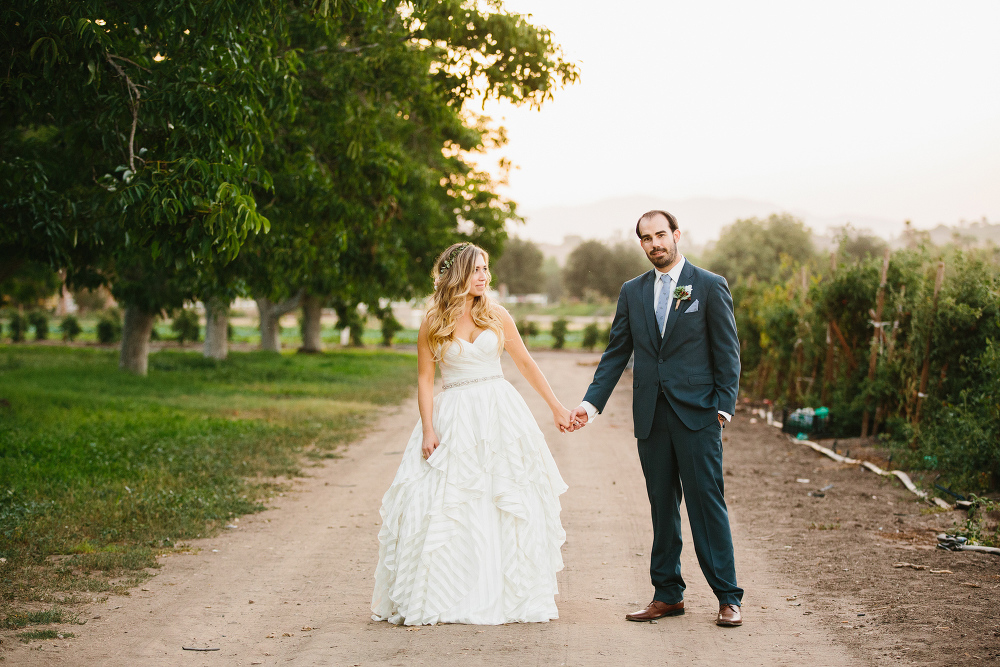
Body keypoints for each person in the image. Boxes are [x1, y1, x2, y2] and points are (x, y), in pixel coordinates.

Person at [371, 242, 572, 626]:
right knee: (450, 502)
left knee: (503, 496)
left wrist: (556, 407)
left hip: (499, 412)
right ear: (458, 273)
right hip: (455, 415)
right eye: (478, 269)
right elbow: (425, 379)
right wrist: (429, 428)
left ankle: (504, 593)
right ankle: (448, 591)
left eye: (486, 269)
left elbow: (526, 363)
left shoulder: (497, 315)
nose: (485, 276)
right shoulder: (433, 321)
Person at [567, 210, 744, 627]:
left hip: (698, 417)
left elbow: (728, 352)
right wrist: (589, 406)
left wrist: (721, 409)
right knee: (662, 509)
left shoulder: (709, 285)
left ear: (676, 235)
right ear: (641, 244)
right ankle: (667, 594)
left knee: (706, 506)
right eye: (646, 239)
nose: (654, 244)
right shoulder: (632, 292)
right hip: (651, 418)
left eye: (660, 235)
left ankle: (728, 597)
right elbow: (616, 354)